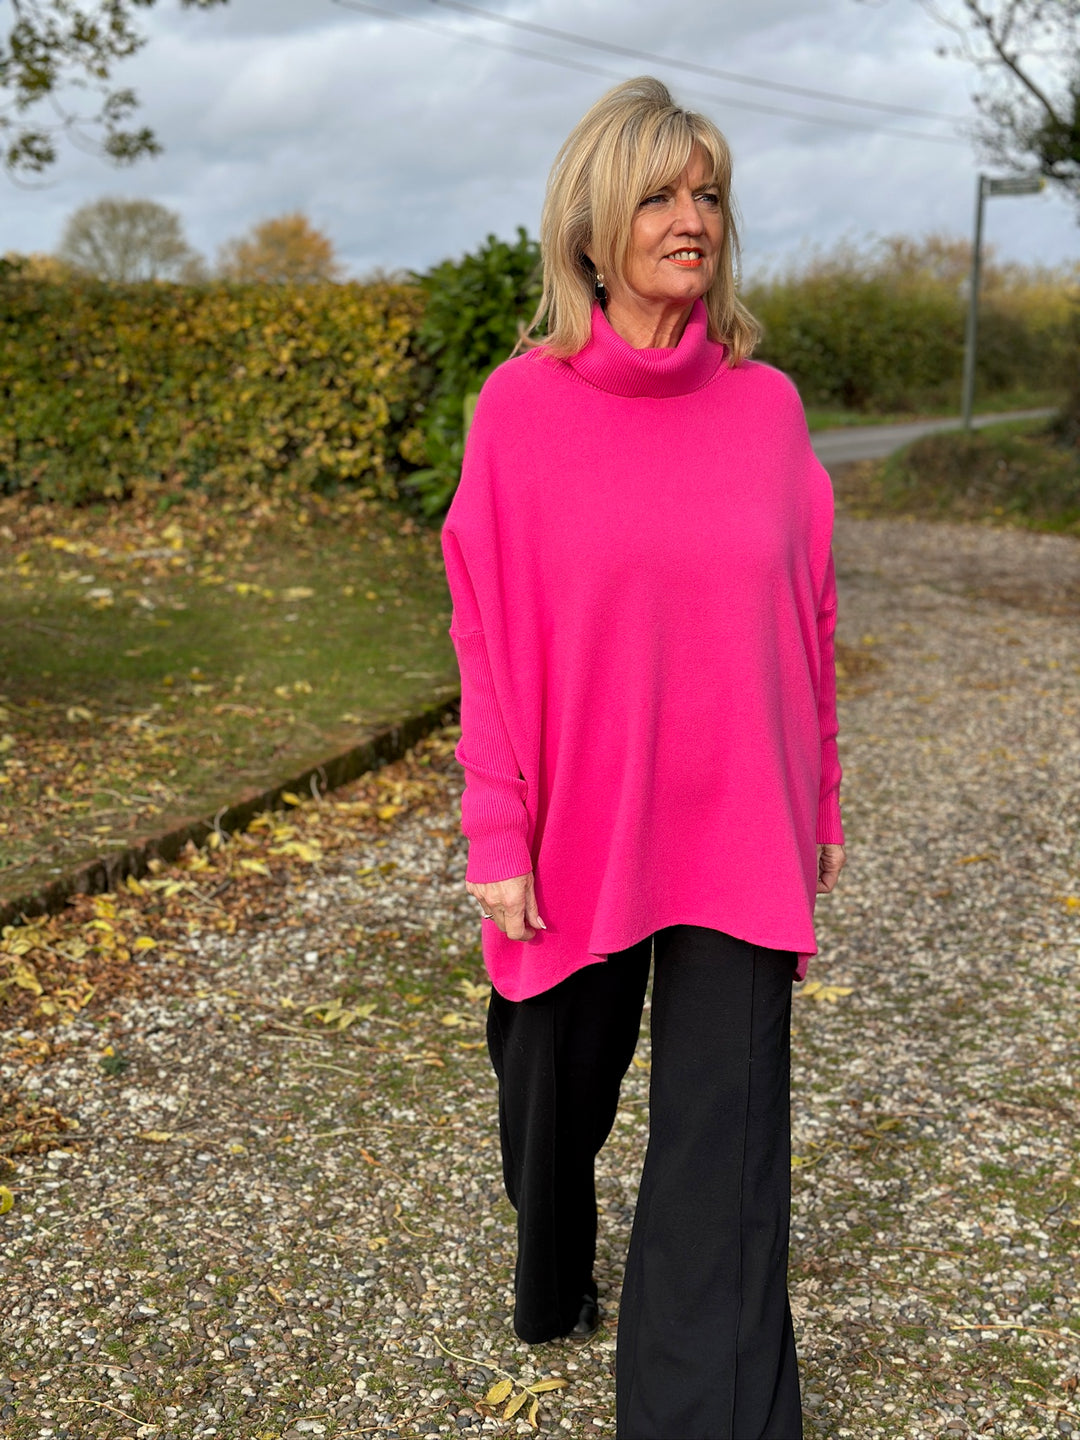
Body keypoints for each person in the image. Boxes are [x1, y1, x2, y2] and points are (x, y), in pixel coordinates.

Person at [441, 75, 845, 1440]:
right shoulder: (520, 409)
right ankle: (554, 1262)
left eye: (709, 194)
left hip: (739, 826)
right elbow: (486, 626)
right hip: (581, 820)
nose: (693, 220)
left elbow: (810, 620)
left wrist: (819, 805)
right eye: (660, 196)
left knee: (725, 1153)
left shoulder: (770, 409)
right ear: (592, 232)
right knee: (550, 1087)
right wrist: (496, 826)